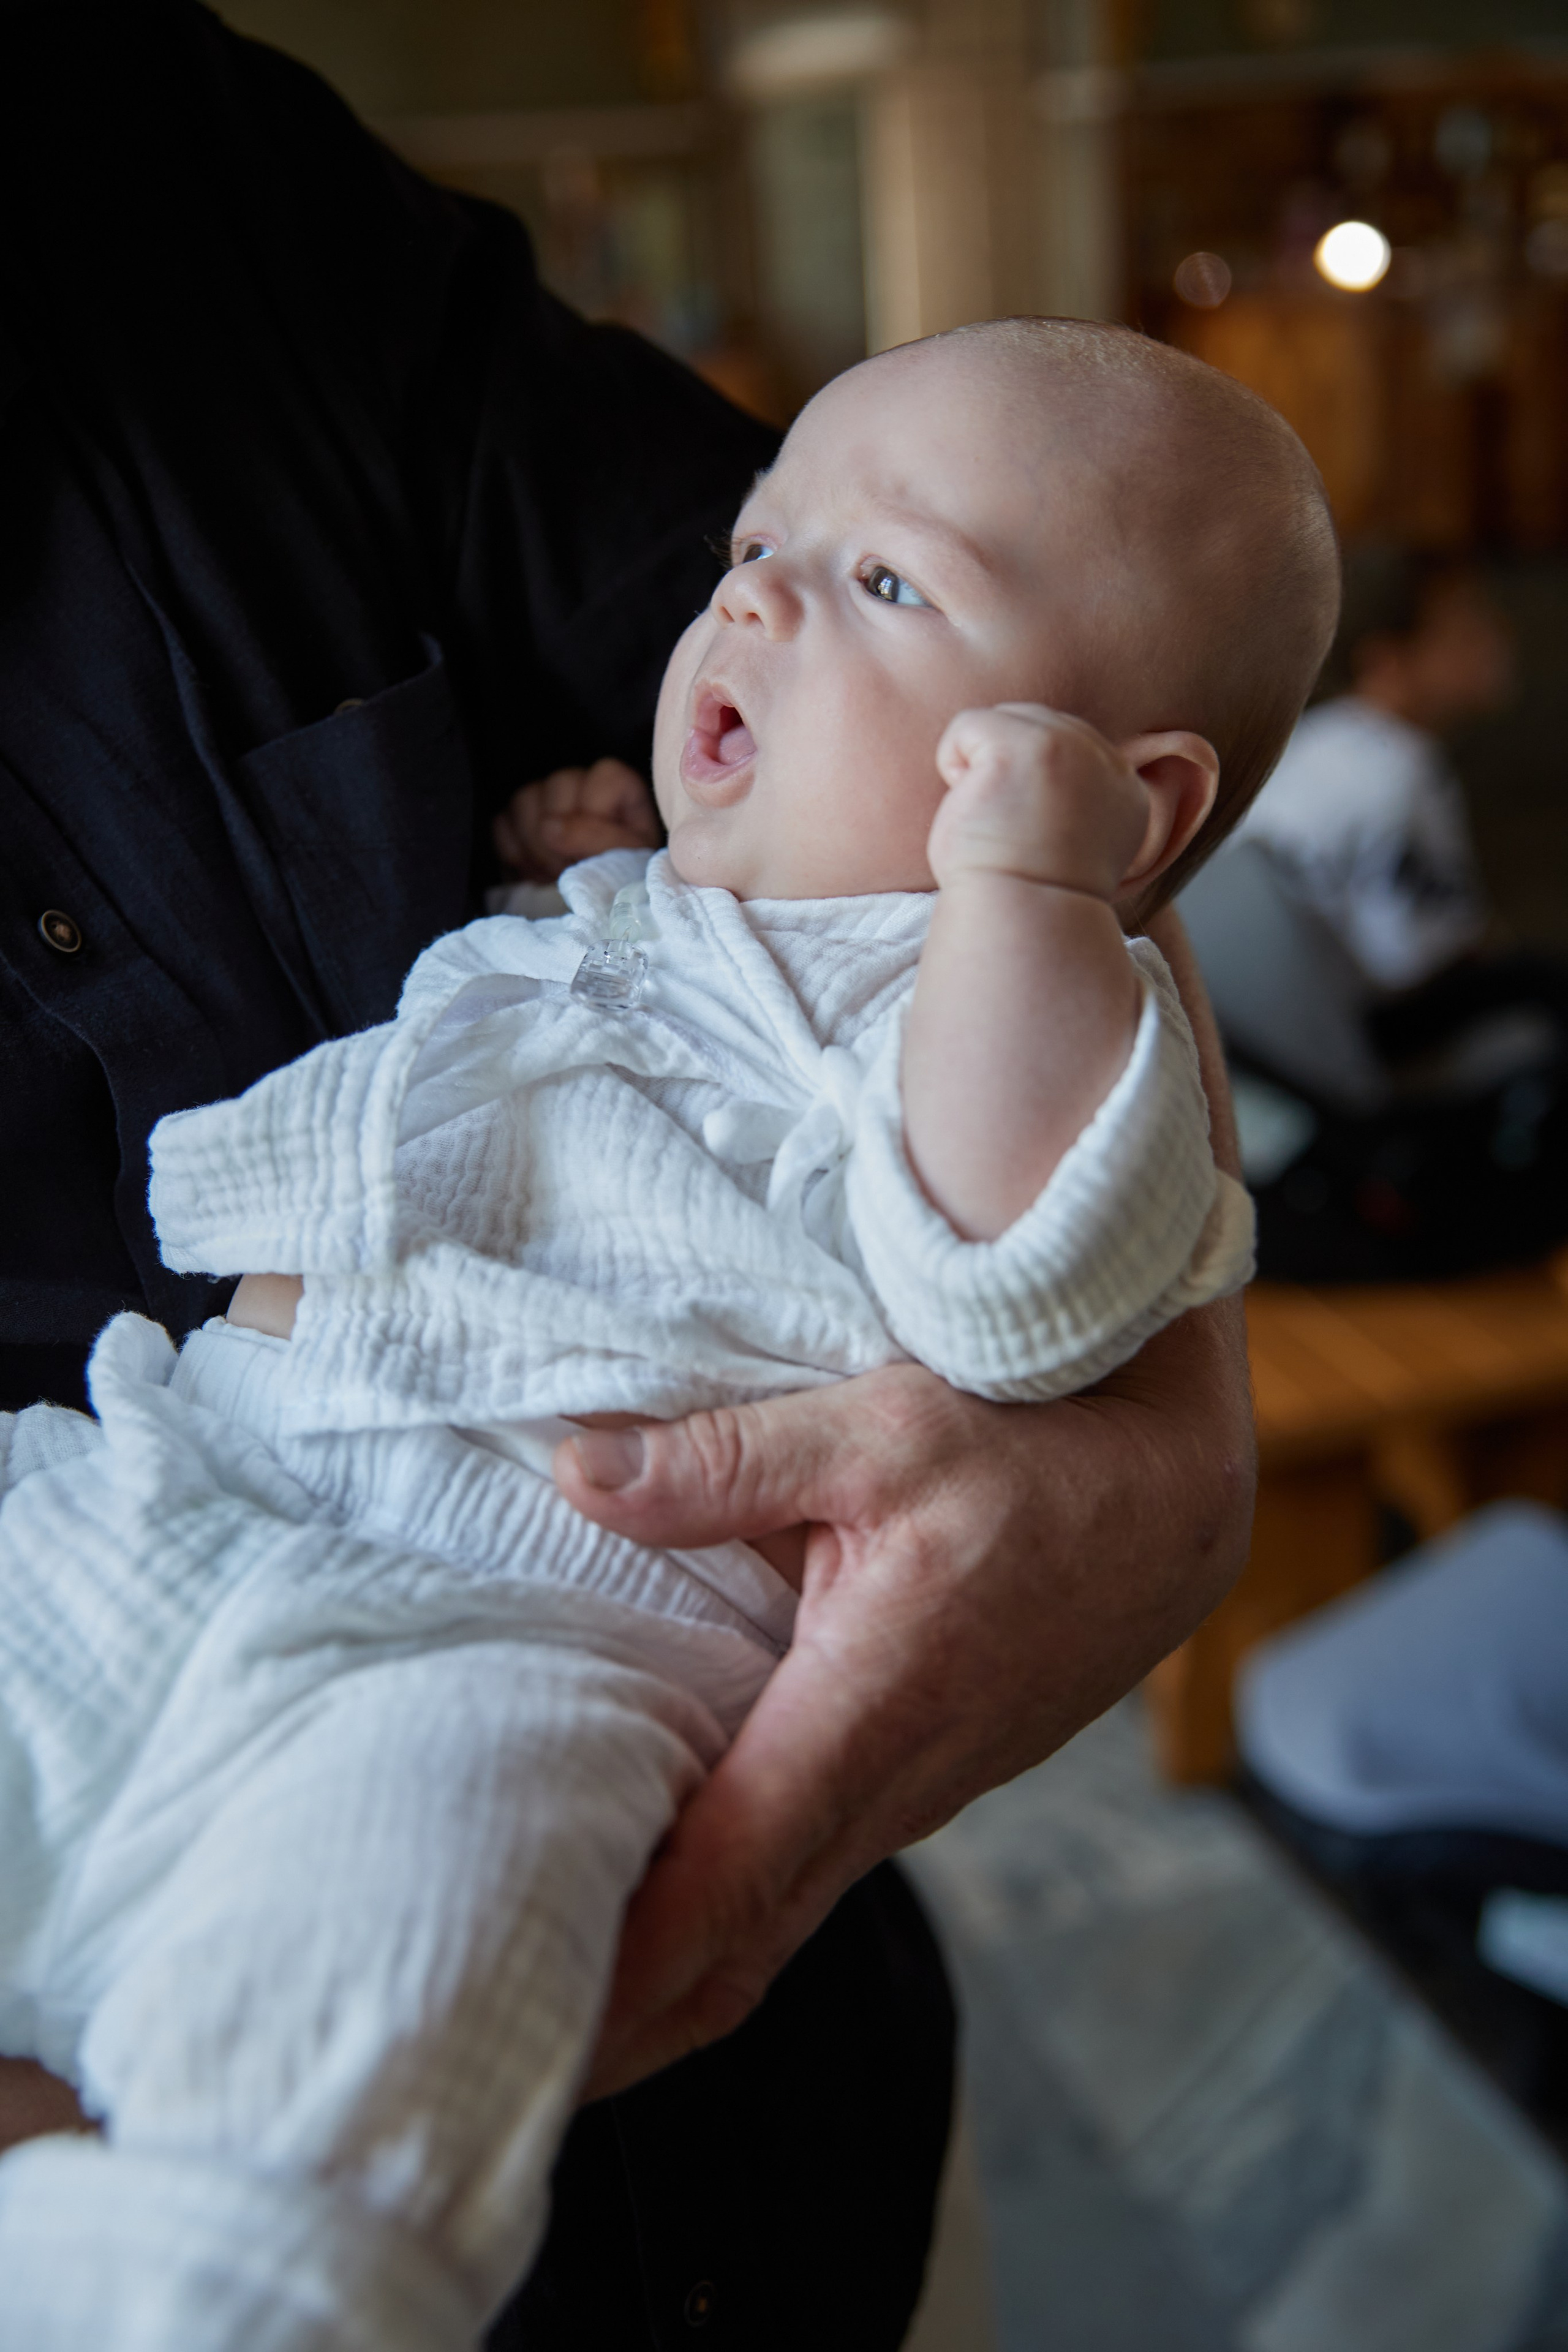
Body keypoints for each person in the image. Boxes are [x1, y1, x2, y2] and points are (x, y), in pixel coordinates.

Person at [0, 4, 1262, 2342]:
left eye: (861, 580)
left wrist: (1025, 913)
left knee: (386, 1960)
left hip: (504, 1634)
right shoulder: (643, 903)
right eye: (763, 547)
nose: (754, 586)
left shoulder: (144, 157)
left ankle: (201, 2286)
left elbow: (1038, 1251)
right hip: (158, 1491)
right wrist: (570, 887)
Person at [1181, 544, 1568, 1281]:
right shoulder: (1398, 776)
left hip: (1253, 1036)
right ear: (1387, 660)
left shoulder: (1319, 743)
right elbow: (1417, 964)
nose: (1497, 640)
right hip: (1342, 1046)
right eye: (1464, 630)